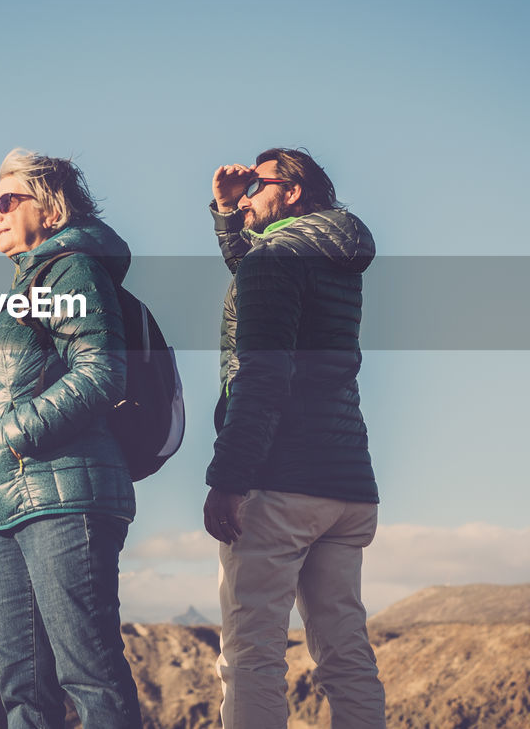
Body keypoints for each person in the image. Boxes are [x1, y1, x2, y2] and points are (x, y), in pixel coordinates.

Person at [0, 148, 142, 729]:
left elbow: (101, 371)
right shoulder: (24, 288)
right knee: (22, 692)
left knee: (89, 678)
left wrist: (12, 436)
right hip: (7, 503)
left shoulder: (72, 269)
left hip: (64, 498)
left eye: (9, 199)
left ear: (52, 206)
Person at [202, 148, 385, 728]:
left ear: (293, 192)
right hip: (346, 483)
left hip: (280, 483)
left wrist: (228, 479)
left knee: (251, 655)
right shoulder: (334, 255)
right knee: (345, 655)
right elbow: (255, 273)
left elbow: (262, 373)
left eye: (258, 185)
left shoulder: (275, 261)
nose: (247, 194)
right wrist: (230, 213)